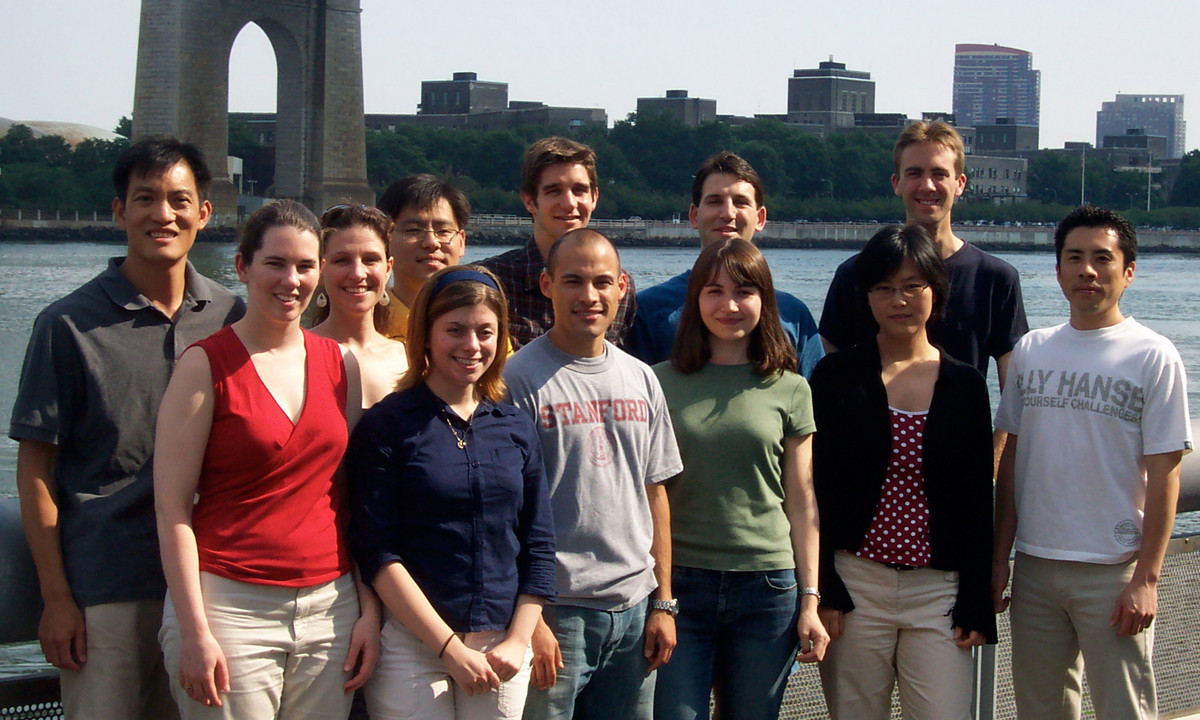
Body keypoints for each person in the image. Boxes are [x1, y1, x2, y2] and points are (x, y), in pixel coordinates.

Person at [9, 137, 244, 720]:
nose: (162, 215)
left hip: (211, 589)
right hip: (105, 588)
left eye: (178, 200)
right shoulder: (66, 324)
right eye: (145, 199)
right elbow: (36, 470)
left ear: (204, 213)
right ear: (119, 211)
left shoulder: (233, 318)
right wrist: (56, 597)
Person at [154, 200, 378, 719]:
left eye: (305, 266)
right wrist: (194, 631)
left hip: (330, 609)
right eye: (275, 263)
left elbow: (344, 496)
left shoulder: (340, 364)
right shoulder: (204, 366)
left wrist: (366, 608)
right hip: (230, 608)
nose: (291, 280)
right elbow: (171, 511)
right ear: (242, 268)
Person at [993, 206, 1192, 720]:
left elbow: (1166, 472)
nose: (1087, 270)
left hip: (1113, 567)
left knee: (1124, 708)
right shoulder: (1032, 350)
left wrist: (1147, 577)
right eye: (1074, 257)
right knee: (1041, 709)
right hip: (1035, 565)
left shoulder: (1153, 354)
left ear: (1128, 271)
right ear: (1057, 270)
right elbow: (1013, 455)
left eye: (1103, 258)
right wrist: (1000, 558)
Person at [345, 265, 557, 720]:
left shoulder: (516, 426)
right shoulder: (388, 425)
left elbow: (538, 544)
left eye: (485, 332)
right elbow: (378, 551)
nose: (471, 346)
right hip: (412, 642)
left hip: (501, 641)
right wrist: (446, 646)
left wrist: (520, 638)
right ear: (425, 335)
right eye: (455, 330)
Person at [812, 225, 997, 720]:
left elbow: (980, 499)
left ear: (935, 291)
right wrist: (824, 589)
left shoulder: (965, 384)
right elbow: (816, 493)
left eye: (914, 285)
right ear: (867, 296)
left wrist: (976, 602)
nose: (900, 299)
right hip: (855, 585)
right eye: (885, 287)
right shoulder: (835, 378)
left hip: (939, 590)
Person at [503, 229, 682, 720]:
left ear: (622, 287)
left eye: (602, 282)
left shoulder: (641, 376)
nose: (589, 296)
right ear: (547, 284)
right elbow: (506, 511)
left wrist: (664, 603)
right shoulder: (517, 379)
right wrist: (530, 618)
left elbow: (655, 492)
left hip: (634, 607)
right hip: (557, 610)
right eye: (573, 281)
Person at [651, 239, 827, 720]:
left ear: (765, 301)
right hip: (679, 586)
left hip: (767, 589)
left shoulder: (791, 388)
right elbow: (648, 495)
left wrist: (811, 600)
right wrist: (659, 598)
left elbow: (802, 502)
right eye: (714, 291)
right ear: (695, 301)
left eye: (744, 291)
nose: (729, 305)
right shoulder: (657, 381)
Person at [818, 121, 1027, 385]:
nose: (927, 186)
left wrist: (998, 430)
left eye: (939, 174)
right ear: (897, 183)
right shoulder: (856, 274)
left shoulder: (996, 279)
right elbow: (826, 370)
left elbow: (1014, 395)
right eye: (915, 173)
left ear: (960, 183)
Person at [627, 152, 823, 377]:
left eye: (740, 202)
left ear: (760, 218)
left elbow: (815, 399)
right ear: (694, 215)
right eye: (714, 201)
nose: (728, 213)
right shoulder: (649, 310)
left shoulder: (794, 315)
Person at [479, 137, 637, 350]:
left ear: (594, 197)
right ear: (529, 201)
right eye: (554, 191)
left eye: (579, 190)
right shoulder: (490, 282)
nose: (569, 203)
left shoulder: (618, 288)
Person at [311, 203, 409, 407]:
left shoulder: (411, 360)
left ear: (388, 268)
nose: (357, 273)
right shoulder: (296, 354)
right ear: (321, 269)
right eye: (342, 260)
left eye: (370, 260)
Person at [376, 174, 471, 343]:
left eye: (443, 231)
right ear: (384, 240)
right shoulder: (368, 329)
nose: (431, 243)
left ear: (461, 241)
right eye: (413, 230)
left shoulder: (481, 328)